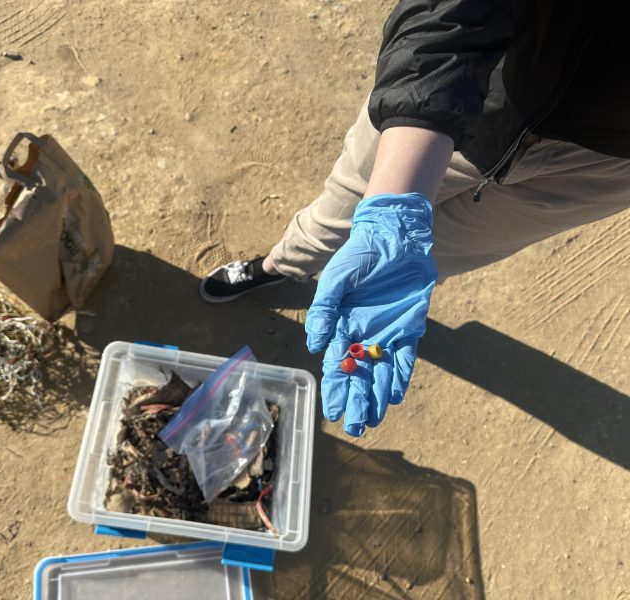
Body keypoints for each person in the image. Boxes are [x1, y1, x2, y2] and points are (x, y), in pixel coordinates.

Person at [199, 0, 630, 437]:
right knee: (341, 217)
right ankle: (279, 266)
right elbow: (452, 12)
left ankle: (395, 297)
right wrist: (394, 204)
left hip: (604, 170)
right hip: (464, 91)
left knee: (444, 252)